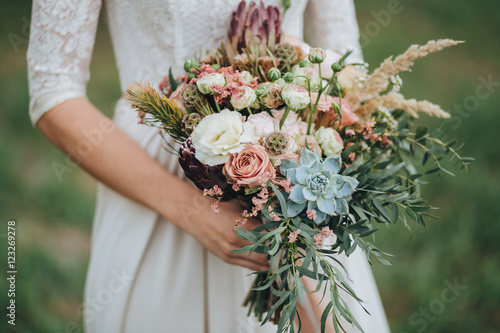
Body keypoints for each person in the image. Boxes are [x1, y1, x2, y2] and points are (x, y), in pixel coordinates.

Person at [27, 0, 390, 332]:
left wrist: (295, 109)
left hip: (297, 165)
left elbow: (346, 60)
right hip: (159, 168)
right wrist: (193, 212)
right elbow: (53, 91)